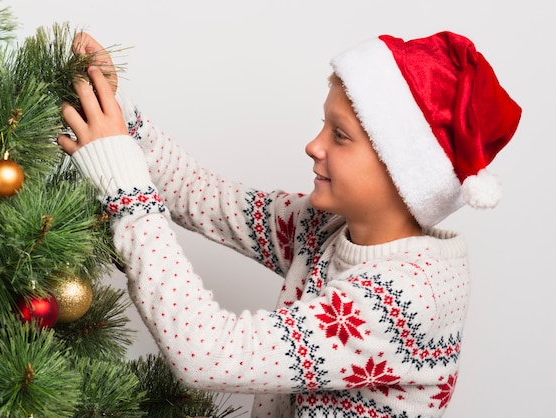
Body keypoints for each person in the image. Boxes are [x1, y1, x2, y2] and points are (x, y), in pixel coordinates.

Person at [58, 31, 521, 417]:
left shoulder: (408, 299)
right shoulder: (327, 228)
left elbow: (209, 352)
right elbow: (203, 196)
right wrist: (118, 120)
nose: (313, 145)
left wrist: (126, 191)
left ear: (404, 172)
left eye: (340, 135)